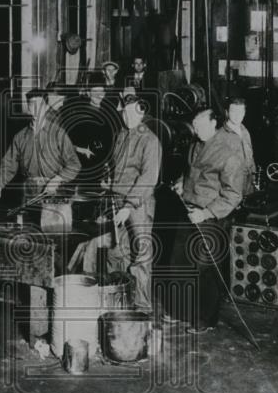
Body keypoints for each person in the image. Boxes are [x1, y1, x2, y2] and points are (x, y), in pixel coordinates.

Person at [160, 109, 243, 333]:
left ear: (214, 123)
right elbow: (191, 173)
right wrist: (181, 182)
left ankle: (205, 319)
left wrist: (206, 213)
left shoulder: (229, 151)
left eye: (200, 126)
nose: (195, 131)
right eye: (194, 126)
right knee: (178, 262)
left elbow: (234, 195)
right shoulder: (196, 144)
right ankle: (178, 311)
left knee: (203, 268)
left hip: (210, 216)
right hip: (187, 210)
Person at [83, 93, 162, 309]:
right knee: (116, 252)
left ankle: (142, 306)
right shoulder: (121, 136)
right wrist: (108, 181)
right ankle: (119, 300)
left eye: (130, 112)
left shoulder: (150, 140)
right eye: (123, 113)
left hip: (138, 204)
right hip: (116, 201)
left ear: (141, 111)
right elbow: (117, 169)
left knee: (141, 255)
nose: (125, 117)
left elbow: (148, 178)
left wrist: (128, 206)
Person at [0, 89, 81, 204]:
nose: (36, 109)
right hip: (28, 193)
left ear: (47, 107)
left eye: (40, 105)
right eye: (32, 105)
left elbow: (74, 164)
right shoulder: (20, 137)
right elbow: (8, 165)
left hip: (54, 193)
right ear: (28, 108)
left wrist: (57, 180)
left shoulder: (58, 134)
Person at [223, 97, 257, 198]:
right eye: (233, 111)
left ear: (244, 113)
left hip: (248, 186)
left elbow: (251, 158)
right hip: (231, 188)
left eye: (241, 111)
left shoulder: (245, 131)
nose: (237, 116)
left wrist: (254, 179)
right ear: (227, 113)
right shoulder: (221, 136)